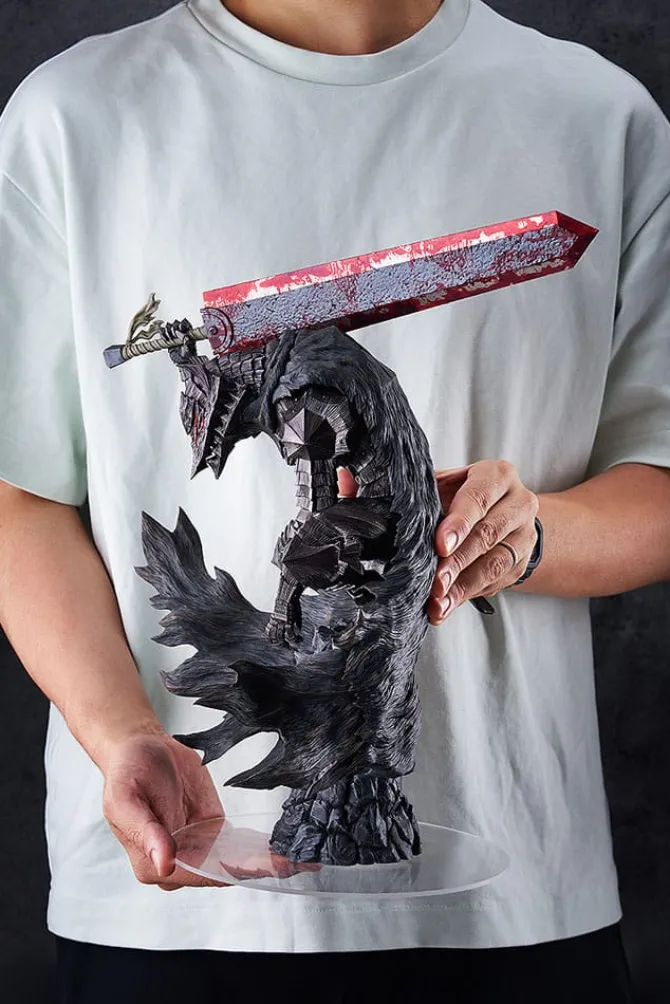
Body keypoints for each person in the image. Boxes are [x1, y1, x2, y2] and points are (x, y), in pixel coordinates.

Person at [0, 0, 668, 1000]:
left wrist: (527, 537)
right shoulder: (75, 117)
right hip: (174, 901)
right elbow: (20, 499)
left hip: (517, 895)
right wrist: (119, 728)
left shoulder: (597, 118)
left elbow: (658, 480)